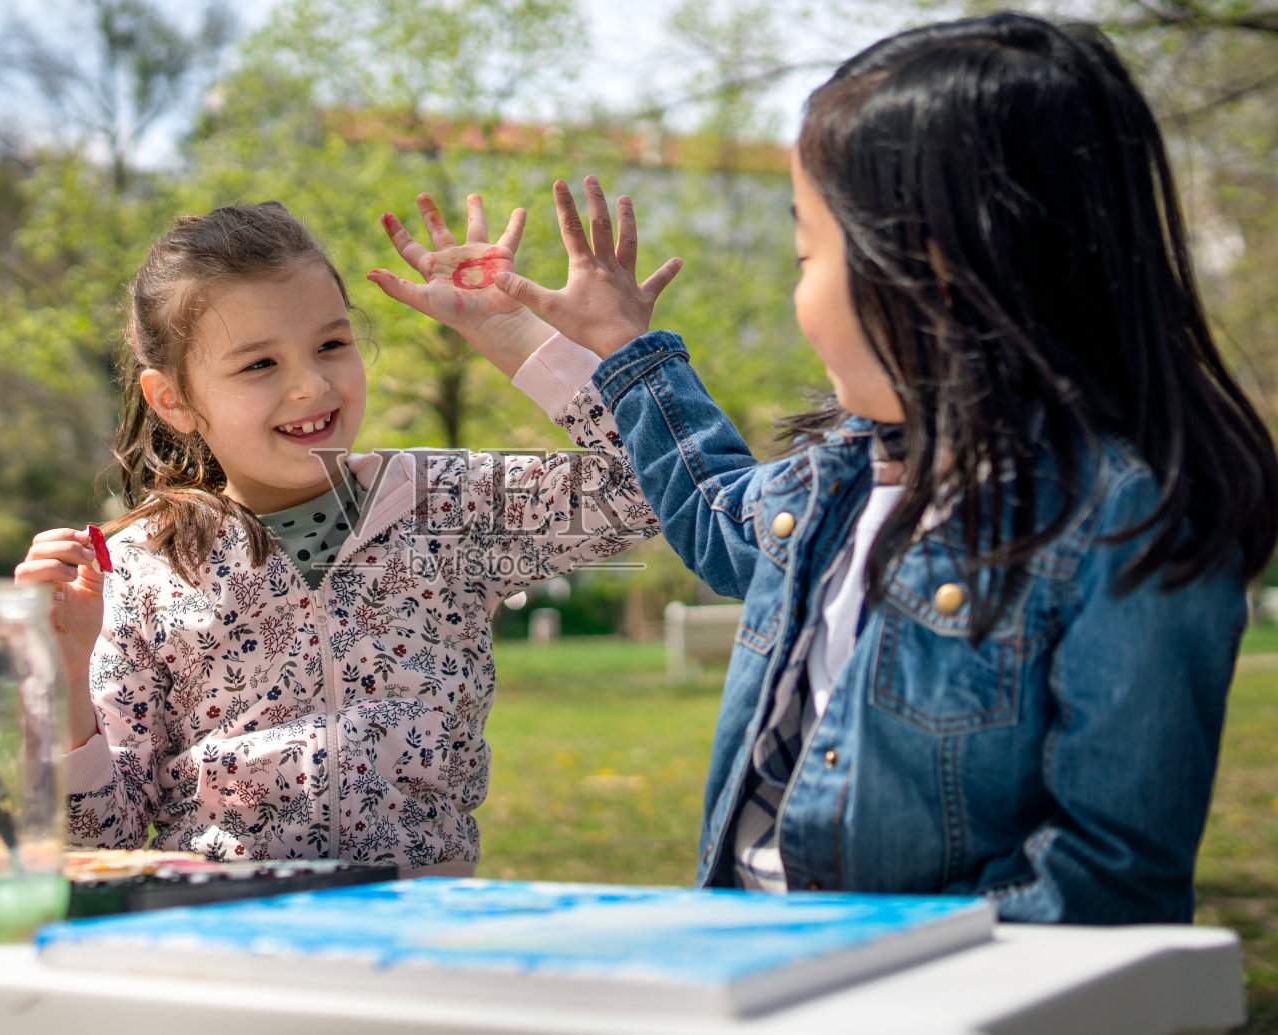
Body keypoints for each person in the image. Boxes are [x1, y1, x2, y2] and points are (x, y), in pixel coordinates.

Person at [494, 12, 1278, 922]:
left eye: (807, 254)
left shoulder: (1123, 519)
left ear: (935, 269)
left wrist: (874, 976)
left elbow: (1106, 879)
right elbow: (713, 514)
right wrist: (625, 347)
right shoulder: (838, 478)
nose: (798, 290)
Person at [14, 195, 660, 876]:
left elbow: (649, 490)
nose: (311, 384)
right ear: (173, 399)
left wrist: (512, 333)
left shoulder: (447, 506)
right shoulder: (136, 572)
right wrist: (61, 674)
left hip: (422, 937)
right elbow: (94, 846)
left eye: (330, 344)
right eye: (259, 364)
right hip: (235, 947)